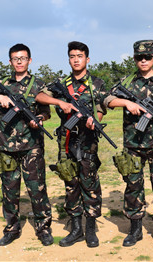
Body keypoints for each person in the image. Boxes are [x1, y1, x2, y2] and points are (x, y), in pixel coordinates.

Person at [0, 43, 53, 246]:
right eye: (15, 58)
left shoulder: (38, 85)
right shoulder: (1, 83)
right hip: (6, 147)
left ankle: (43, 228)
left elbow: (46, 111)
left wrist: (40, 119)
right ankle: (12, 228)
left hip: (32, 146)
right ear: (10, 61)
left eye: (23, 58)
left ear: (30, 60)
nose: (19, 61)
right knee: (9, 190)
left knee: (37, 189)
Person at [105, 40, 153, 248]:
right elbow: (107, 99)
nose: (143, 60)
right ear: (135, 59)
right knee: (133, 186)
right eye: (139, 57)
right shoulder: (126, 82)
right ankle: (135, 227)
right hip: (133, 143)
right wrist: (127, 102)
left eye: (147, 57)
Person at [36, 41, 108, 248]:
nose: (76, 59)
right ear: (69, 59)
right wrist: (60, 102)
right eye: (72, 56)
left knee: (90, 182)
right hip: (66, 140)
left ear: (87, 59)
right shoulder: (61, 83)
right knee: (70, 182)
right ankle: (76, 228)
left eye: (80, 56)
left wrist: (95, 118)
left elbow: (102, 106)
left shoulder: (97, 84)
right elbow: (39, 96)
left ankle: (91, 229)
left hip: (87, 141)